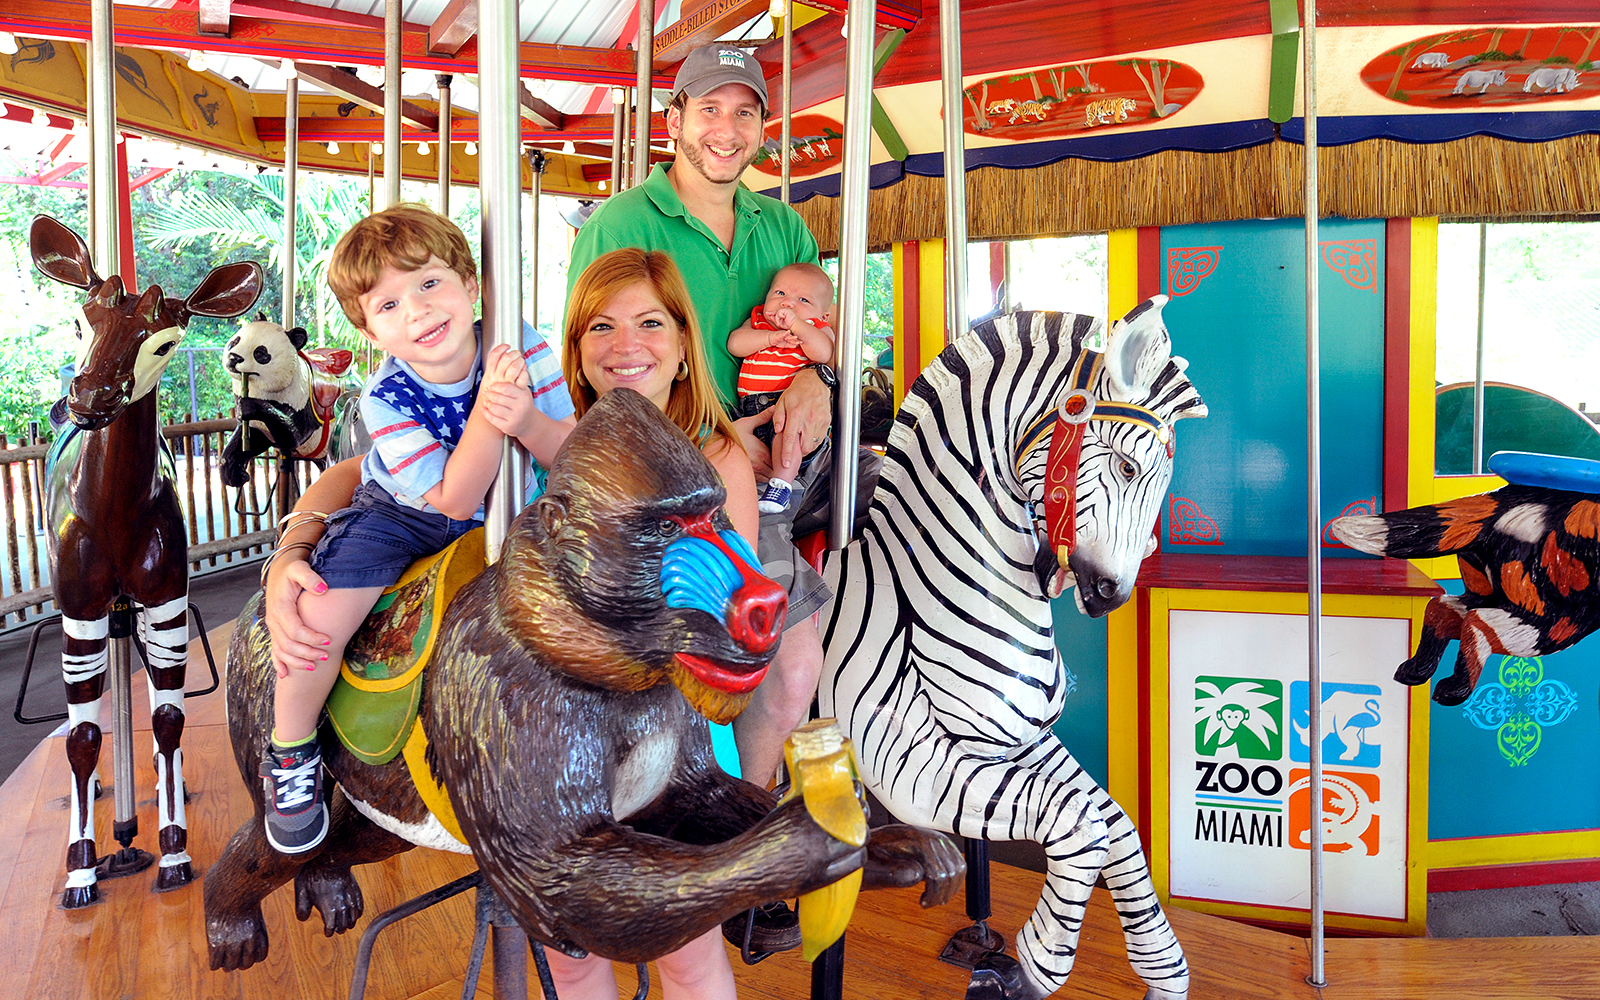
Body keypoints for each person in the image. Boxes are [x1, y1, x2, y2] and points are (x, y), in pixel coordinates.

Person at [260, 203, 575, 855]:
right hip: (403, 515)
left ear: (470, 284)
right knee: (321, 616)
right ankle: (291, 750)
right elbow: (455, 498)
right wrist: (491, 415)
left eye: (430, 283)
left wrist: (529, 422)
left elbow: (571, 451)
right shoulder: (386, 398)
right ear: (369, 330)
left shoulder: (519, 344)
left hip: (518, 510)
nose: (418, 311)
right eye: (388, 304)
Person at [567, 43, 834, 790]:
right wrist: (710, 443)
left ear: (762, 128)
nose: (727, 129)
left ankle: (745, 830)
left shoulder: (785, 228)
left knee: (795, 671)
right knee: (729, 675)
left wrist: (818, 377)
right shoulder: (620, 224)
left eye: (744, 113)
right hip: (666, 480)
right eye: (709, 109)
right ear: (674, 120)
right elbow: (590, 366)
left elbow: (821, 337)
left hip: (771, 473)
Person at [728, 262, 836, 514]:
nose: (787, 303)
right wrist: (769, 338)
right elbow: (735, 344)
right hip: (747, 409)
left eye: (803, 300)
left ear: (823, 315)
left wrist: (798, 325)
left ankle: (781, 484)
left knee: (786, 436)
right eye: (780, 293)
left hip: (786, 404)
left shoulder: (816, 329)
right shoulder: (758, 322)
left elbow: (824, 353)